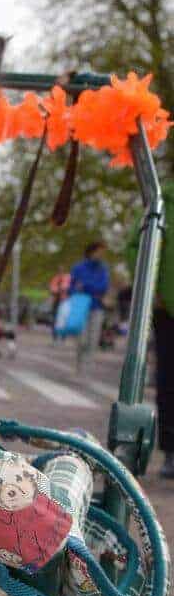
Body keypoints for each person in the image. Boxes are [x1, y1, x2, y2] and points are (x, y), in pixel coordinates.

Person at [127, 182, 174, 479]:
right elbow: (136, 245)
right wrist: (152, 286)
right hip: (168, 306)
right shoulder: (163, 197)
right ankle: (171, 451)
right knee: (169, 380)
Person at [69, 241, 110, 375]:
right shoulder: (78, 268)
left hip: (97, 307)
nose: (102, 255)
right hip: (81, 307)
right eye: (100, 251)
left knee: (93, 339)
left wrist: (85, 286)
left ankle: (87, 366)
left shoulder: (103, 269)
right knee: (82, 339)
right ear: (92, 251)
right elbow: (72, 287)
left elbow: (103, 287)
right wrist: (89, 288)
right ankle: (79, 364)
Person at [49, 266, 71, 339]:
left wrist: (64, 289)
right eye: (59, 270)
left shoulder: (68, 278)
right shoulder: (55, 278)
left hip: (65, 300)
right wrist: (58, 290)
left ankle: (63, 336)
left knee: (65, 318)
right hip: (57, 300)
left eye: (62, 270)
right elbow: (52, 289)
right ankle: (54, 336)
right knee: (55, 318)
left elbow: (69, 287)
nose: (60, 271)